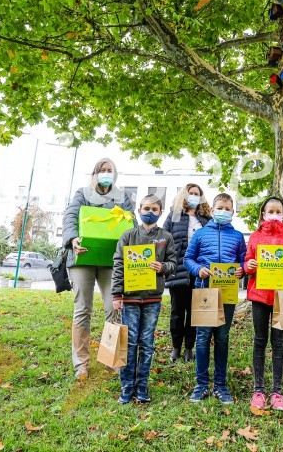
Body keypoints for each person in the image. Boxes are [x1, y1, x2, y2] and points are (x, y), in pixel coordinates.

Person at [62, 158, 135, 381]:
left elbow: (131, 224)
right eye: (102, 170)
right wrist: (72, 239)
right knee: (82, 309)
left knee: (113, 308)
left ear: (115, 174)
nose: (105, 173)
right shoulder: (82, 193)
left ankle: (112, 359)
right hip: (82, 258)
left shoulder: (123, 197)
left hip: (111, 261)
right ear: (94, 173)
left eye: (109, 170)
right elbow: (70, 216)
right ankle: (81, 363)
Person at [111, 195, 177, 404]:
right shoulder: (128, 236)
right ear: (139, 211)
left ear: (160, 212)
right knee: (129, 342)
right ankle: (126, 386)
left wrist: (163, 267)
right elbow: (119, 265)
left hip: (152, 300)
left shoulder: (166, 237)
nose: (150, 211)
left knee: (146, 343)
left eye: (155, 209)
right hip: (129, 299)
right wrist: (116, 294)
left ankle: (142, 386)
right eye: (146, 208)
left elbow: (174, 262)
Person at [185, 193, 247, 404]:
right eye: (219, 207)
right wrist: (198, 269)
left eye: (227, 208)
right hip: (204, 292)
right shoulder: (201, 234)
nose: (223, 211)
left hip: (227, 294)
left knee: (222, 338)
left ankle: (220, 384)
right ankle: (201, 384)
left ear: (232, 212)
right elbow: (188, 259)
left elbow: (244, 262)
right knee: (202, 338)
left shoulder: (238, 236)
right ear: (212, 211)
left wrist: (241, 271)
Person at [244, 197, 283, 412]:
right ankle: (259, 389)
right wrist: (249, 265)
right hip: (259, 295)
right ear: (264, 214)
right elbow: (247, 262)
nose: (275, 214)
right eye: (271, 211)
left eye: (279, 211)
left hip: (281, 296)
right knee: (259, 340)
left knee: (279, 341)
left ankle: (277, 391)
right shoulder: (256, 237)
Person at [163, 184, 212, 362]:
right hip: (178, 269)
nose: (193, 196)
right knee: (177, 311)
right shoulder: (174, 216)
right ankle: (176, 347)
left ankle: (189, 348)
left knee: (195, 311)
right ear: (184, 195)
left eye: (196, 194)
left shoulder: (207, 218)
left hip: (200, 271)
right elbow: (164, 240)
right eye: (190, 193)